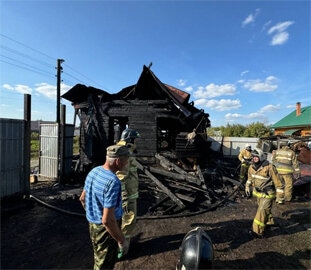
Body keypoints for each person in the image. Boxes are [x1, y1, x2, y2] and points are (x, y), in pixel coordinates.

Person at [79, 144, 130, 270]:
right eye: (126, 161)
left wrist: (93, 213)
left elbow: (82, 198)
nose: (126, 164)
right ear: (118, 160)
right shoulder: (113, 182)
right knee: (104, 265)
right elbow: (108, 220)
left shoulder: (94, 171)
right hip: (105, 231)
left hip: (93, 226)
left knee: (98, 257)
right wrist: (121, 240)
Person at [115, 128, 141, 258]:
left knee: (120, 219)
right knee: (128, 220)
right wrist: (124, 196)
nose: (136, 142)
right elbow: (121, 177)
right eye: (134, 139)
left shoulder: (121, 150)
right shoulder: (125, 152)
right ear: (130, 139)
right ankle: (123, 248)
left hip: (127, 193)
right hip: (128, 194)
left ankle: (119, 244)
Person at [245, 148, 280, 238]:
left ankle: (257, 231)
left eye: (256, 157)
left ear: (261, 157)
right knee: (264, 211)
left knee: (261, 212)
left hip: (268, 193)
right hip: (258, 193)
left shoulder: (269, 167)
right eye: (253, 157)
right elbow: (249, 178)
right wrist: (247, 187)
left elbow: (278, 182)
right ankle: (269, 222)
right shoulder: (251, 167)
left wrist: (280, 197)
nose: (254, 159)